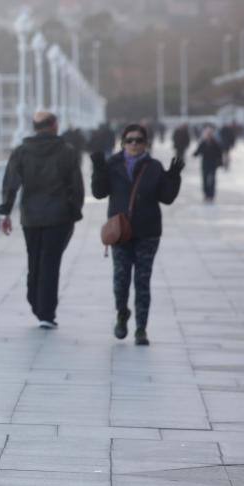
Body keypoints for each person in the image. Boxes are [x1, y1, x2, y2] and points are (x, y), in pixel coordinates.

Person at [91, 124, 183, 346]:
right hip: (120, 232)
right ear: (122, 142)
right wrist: (98, 169)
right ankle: (122, 314)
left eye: (139, 140)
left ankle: (141, 328)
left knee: (142, 281)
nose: (134, 144)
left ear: (146, 144)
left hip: (147, 232)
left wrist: (173, 177)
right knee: (121, 280)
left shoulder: (153, 167)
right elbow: (98, 192)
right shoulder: (112, 164)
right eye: (130, 140)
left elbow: (167, 198)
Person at [0, 111, 84, 329]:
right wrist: (74, 212)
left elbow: (10, 184)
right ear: (54, 125)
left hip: (31, 216)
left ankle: (35, 300)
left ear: (34, 127)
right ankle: (46, 311)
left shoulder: (21, 151)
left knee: (34, 259)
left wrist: (5, 212)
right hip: (59, 216)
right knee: (51, 262)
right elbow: (77, 186)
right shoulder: (67, 151)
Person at [193, 125, 223, 202]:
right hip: (205, 164)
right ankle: (206, 194)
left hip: (213, 164)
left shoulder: (215, 143)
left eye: (210, 133)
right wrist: (195, 154)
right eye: (207, 133)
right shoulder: (203, 143)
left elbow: (219, 153)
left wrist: (220, 162)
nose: (209, 135)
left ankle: (211, 195)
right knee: (205, 180)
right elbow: (198, 151)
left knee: (212, 180)